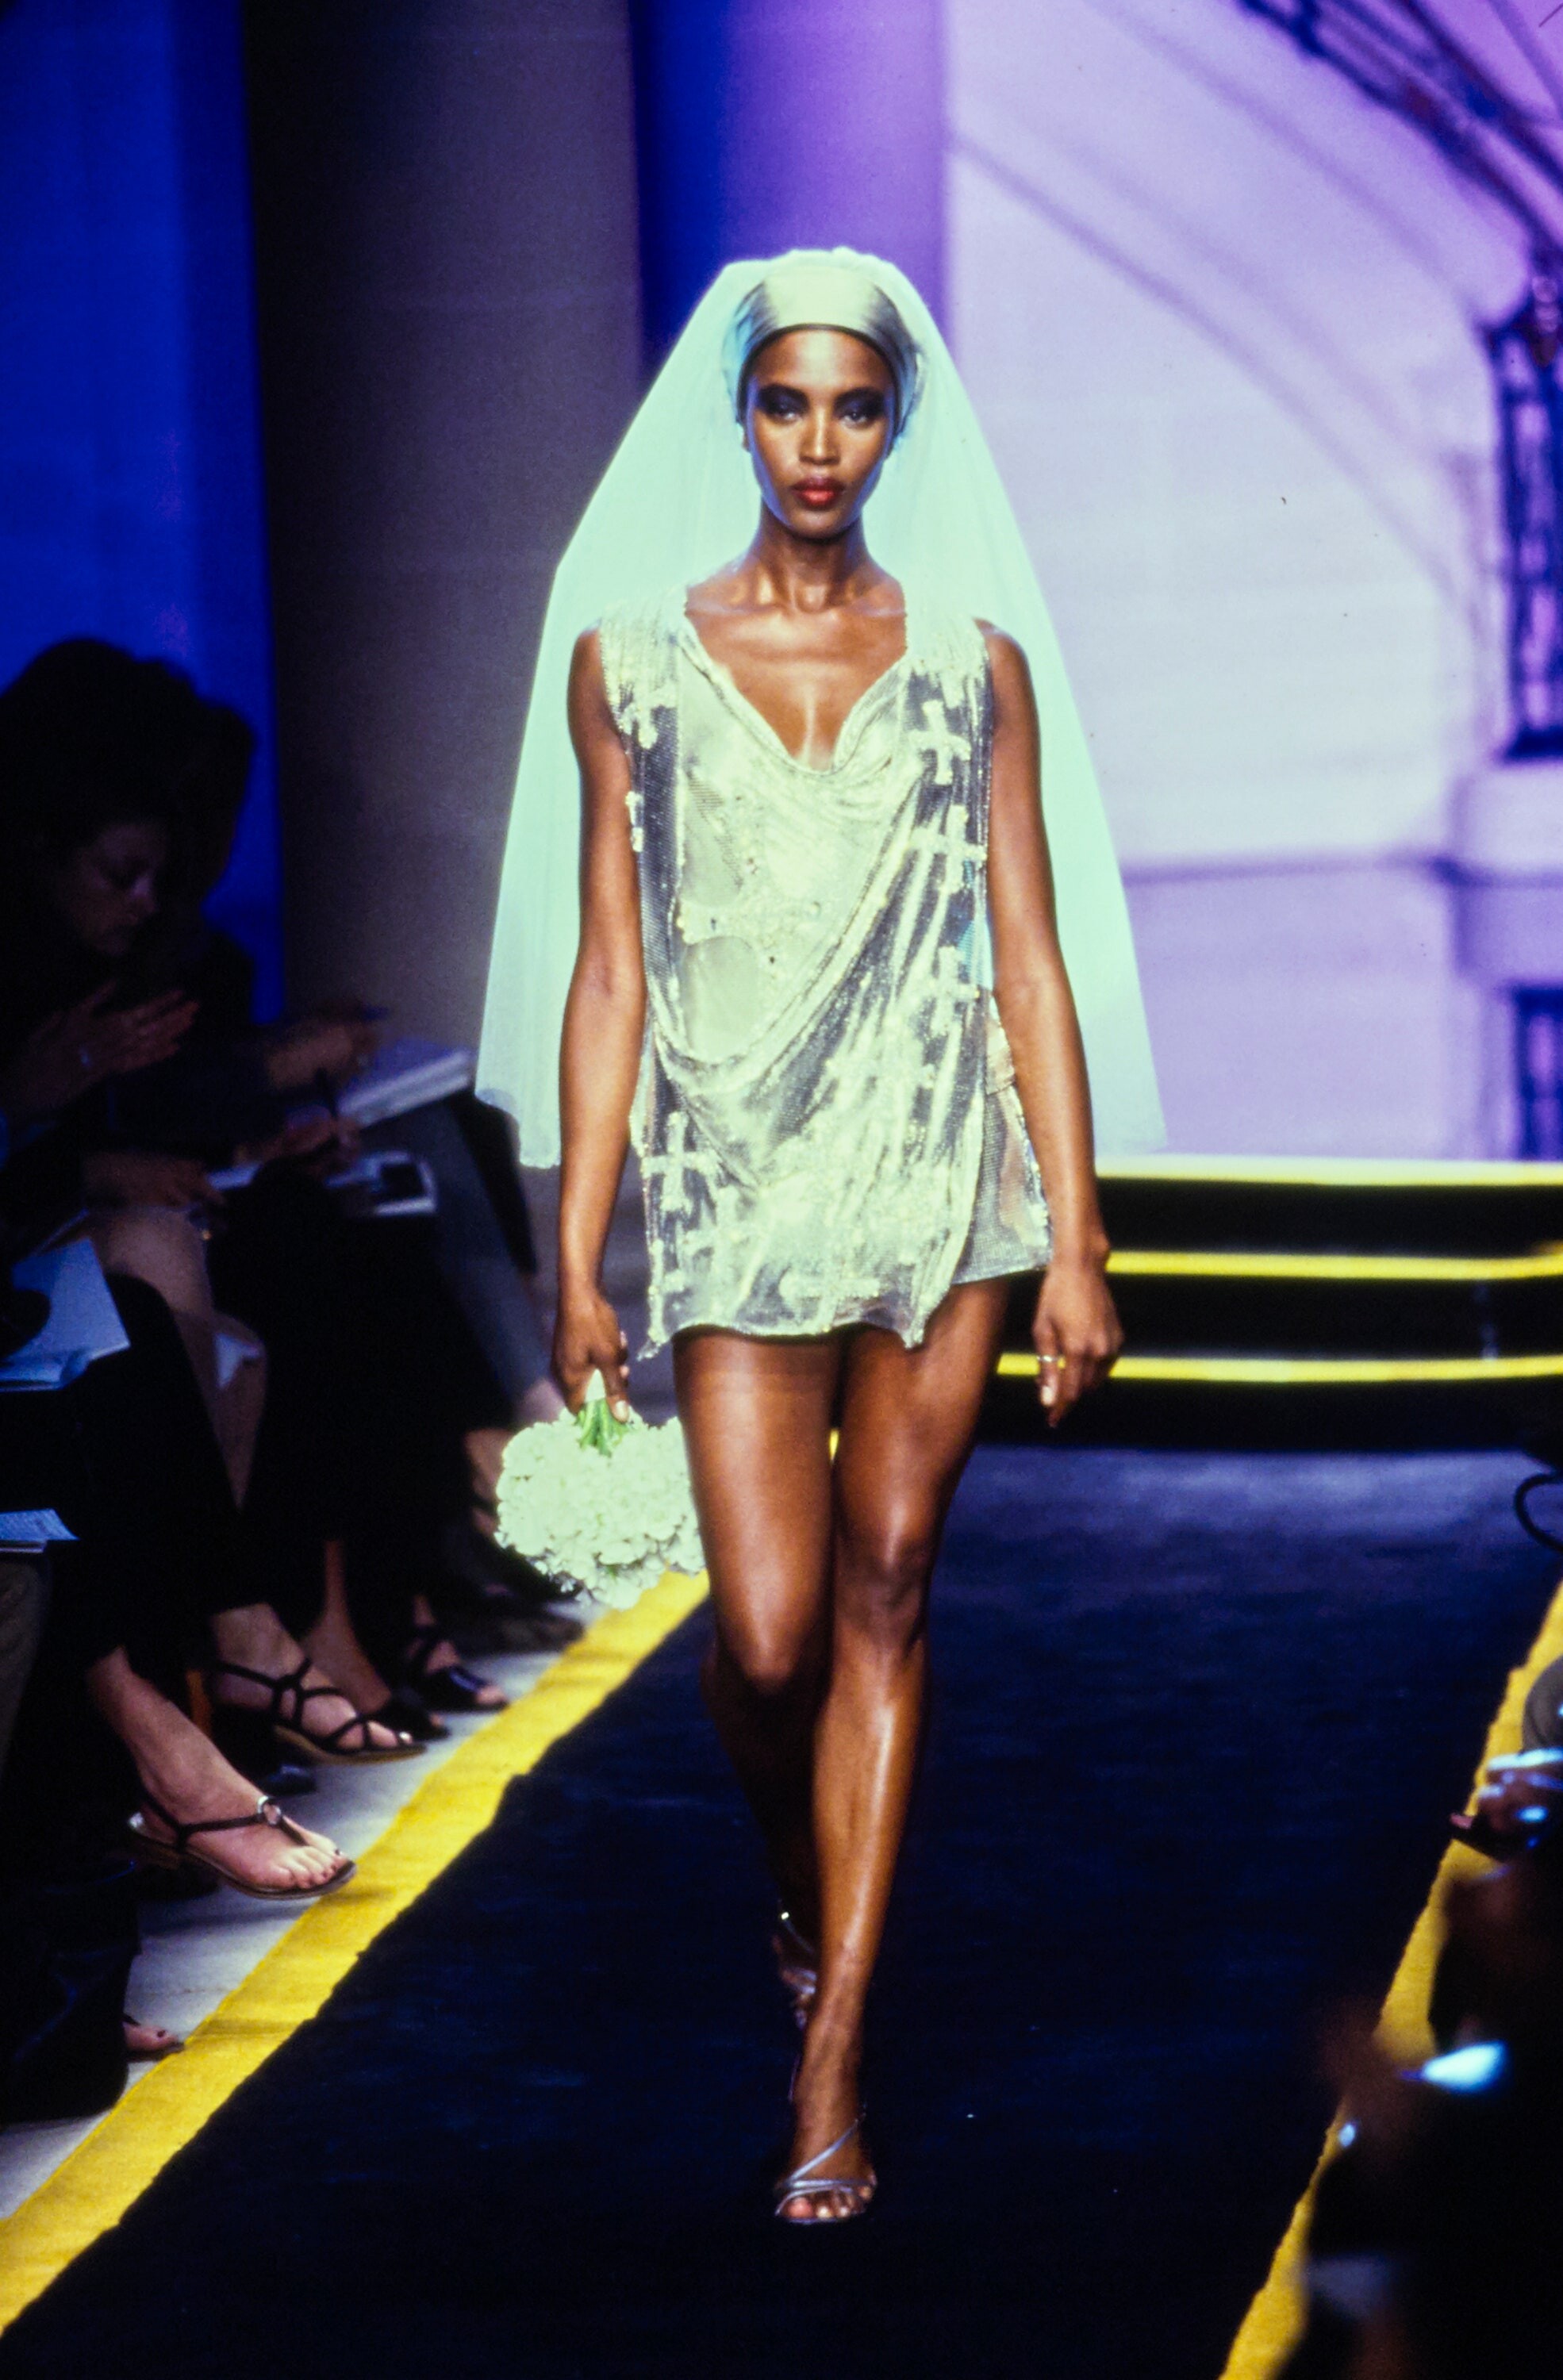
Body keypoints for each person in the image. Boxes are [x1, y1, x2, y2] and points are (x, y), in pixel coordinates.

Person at [478, 250, 1162, 2222]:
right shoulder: (627, 660)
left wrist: (1076, 1240)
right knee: (765, 1642)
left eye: (854, 408)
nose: (818, 443)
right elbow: (610, 971)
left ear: (895, 425)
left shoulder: (970, 666)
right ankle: (804, 1888)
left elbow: (1025, 957)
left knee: (884, 1591)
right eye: (787, 404)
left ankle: (835, 2045)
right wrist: (575, 1249)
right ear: (741, 414)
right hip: (733, 1189)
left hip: (940, 1177)